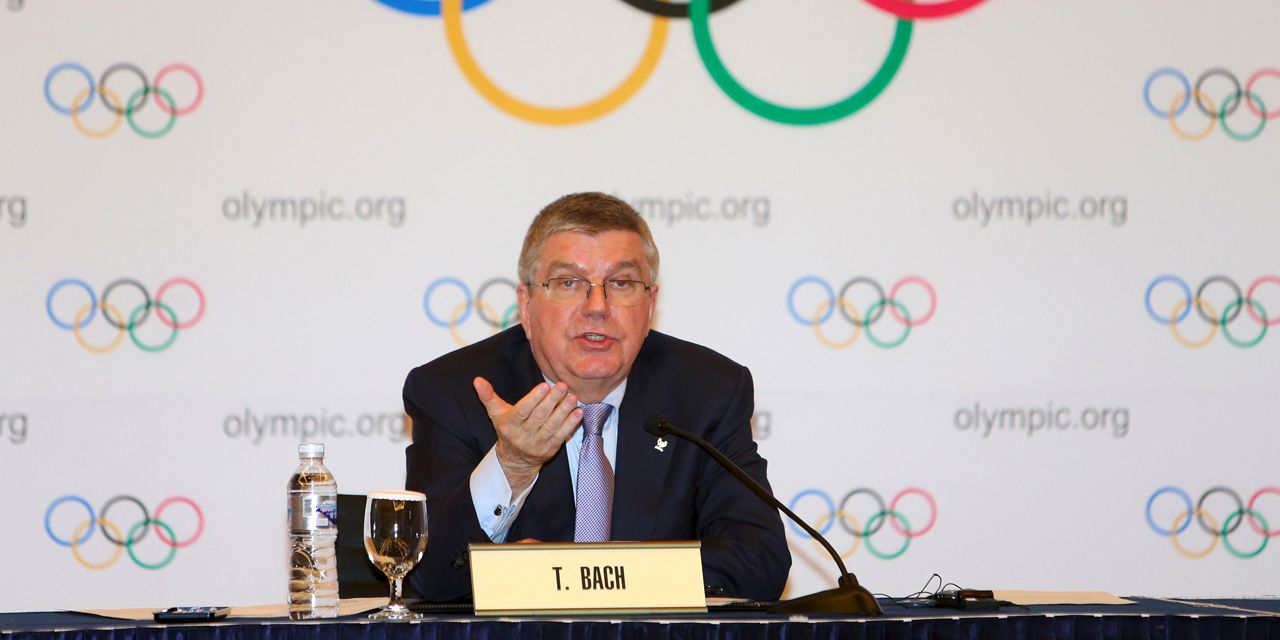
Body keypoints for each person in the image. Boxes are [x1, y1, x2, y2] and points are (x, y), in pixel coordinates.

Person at [403, 192, 789, 602]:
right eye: (569, 283)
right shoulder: (454, 393)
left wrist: (582, 574)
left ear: (650, 305)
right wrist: (512, 464)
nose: (598, 307)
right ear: (526, 306)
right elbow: (430, 576)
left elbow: (759, 561)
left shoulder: (708, 392)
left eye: (621, 283)